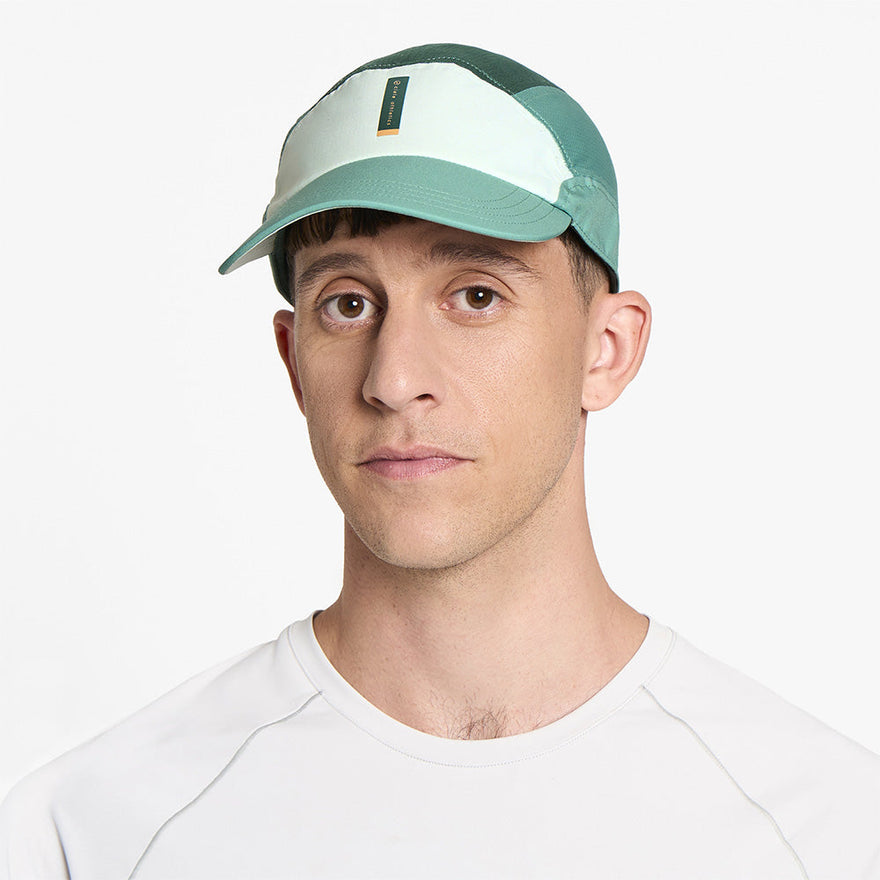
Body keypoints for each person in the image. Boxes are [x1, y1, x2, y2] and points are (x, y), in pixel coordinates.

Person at [1, 42, 878, 880]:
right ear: (293, 363)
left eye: (476, 295)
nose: (393, 379)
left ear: (606, 350)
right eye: (347, 304)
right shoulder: (97, 829)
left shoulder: (826, 830)